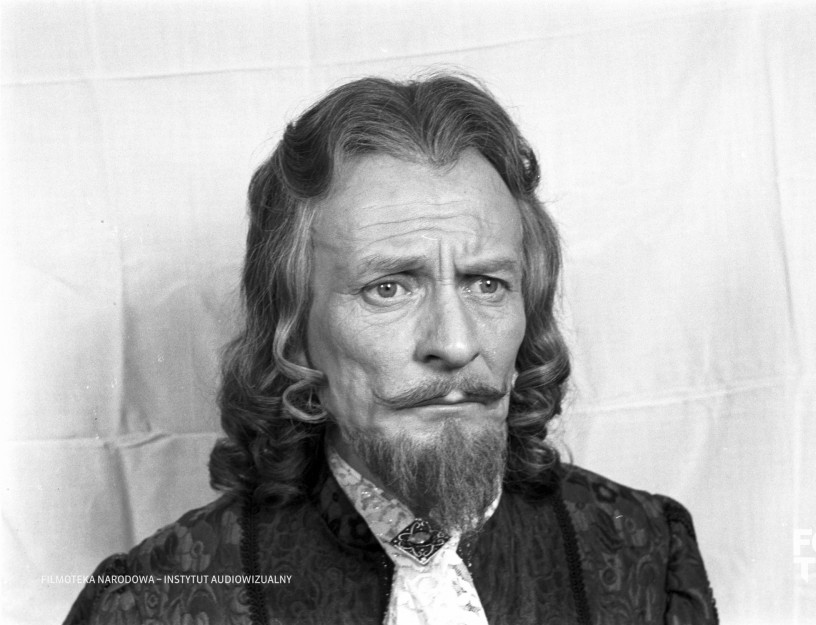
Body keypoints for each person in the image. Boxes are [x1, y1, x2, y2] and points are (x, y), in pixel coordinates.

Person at [65, 74, 718, 625]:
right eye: (388, 288)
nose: (455, 344)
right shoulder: (153, 602)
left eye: (486, 283)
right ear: (294, 331)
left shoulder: (645, 551)